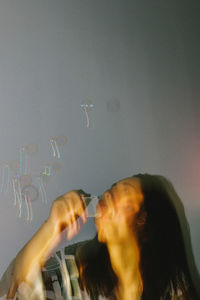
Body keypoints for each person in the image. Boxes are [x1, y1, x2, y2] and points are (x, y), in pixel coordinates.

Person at [0, 174, 200, 299]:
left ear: (144, 219)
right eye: (112, 187)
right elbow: (11, 294)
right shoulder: (76, 269)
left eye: (124, 190)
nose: (108, 192)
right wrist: (50, 227)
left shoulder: (173, 289)